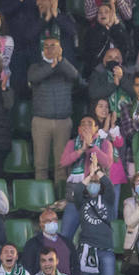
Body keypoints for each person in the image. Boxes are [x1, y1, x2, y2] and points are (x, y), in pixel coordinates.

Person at [28, 37, 79, 183]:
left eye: (54, 46)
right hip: (41, 121)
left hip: (63, 121)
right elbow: (34, 77)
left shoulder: (66, 66)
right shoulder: (36, 66)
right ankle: (41, 201)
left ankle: (61, 201)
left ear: (60, 49)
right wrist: (51, 66)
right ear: (42, 50)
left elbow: (75, 76)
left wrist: (61, 61)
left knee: (62, 166)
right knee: (40, 164)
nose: (50, 49)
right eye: (47, 46)